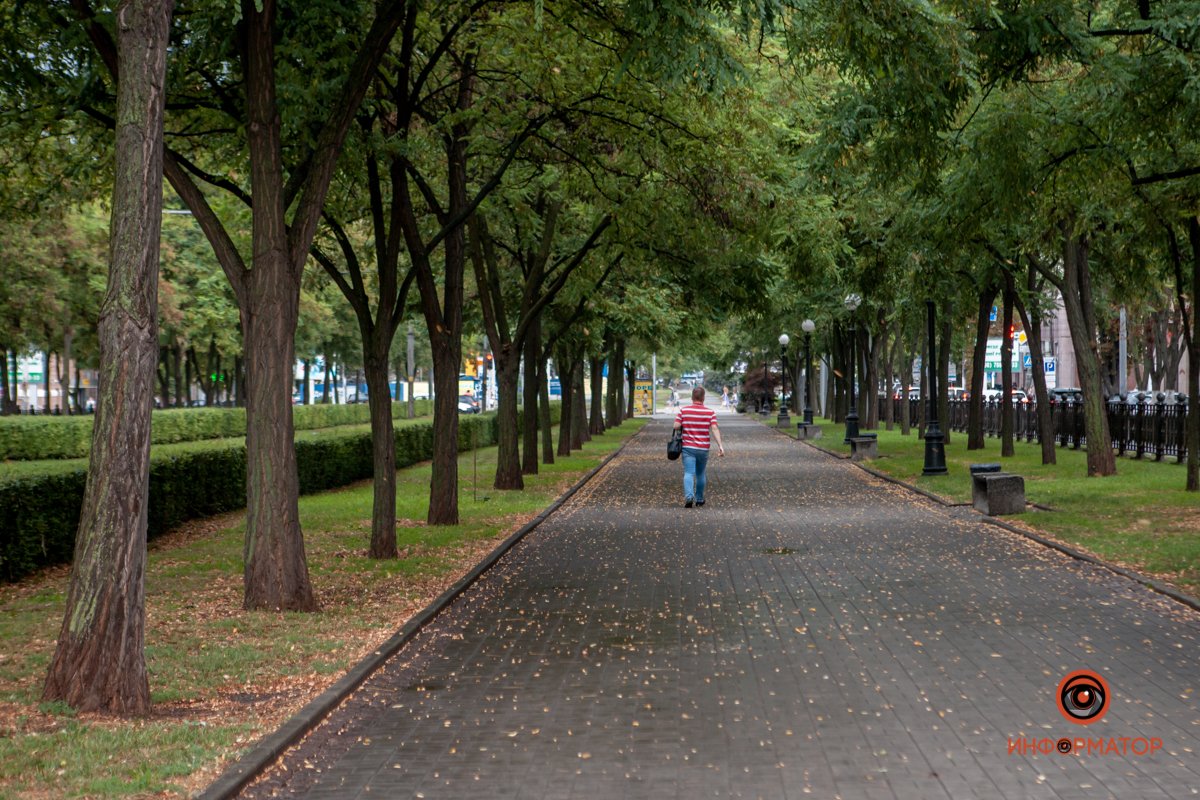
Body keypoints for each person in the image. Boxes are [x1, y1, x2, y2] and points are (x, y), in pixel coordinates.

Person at [673, 385, 725, 508]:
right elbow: (714, 428)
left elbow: (676, 426)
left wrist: (685, 424)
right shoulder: (710, 412)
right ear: (703, 398)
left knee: (689, 473)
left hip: (688, 448)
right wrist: (720, 446)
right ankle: (700, 499)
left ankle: (689, 497)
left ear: (692, 397)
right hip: (703, 448)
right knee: (701, 473)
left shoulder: (683, 411)